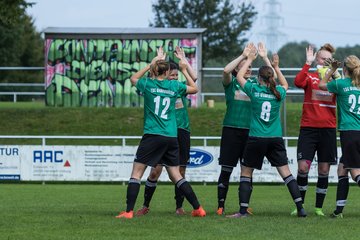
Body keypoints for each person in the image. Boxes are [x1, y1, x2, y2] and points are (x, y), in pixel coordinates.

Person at [115, 47, 206, 219]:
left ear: (154, 71)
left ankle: (128, 211)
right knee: (176, 174)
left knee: (136, 174)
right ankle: (198, 208)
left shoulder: (148, 84)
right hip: (171, 137)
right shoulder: (173, 86)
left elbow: (133, 78)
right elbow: (194, 88)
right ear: (167, 73)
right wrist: (184, 70)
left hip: (152, 135)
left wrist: (151, 63)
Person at [227, 45, 306, 218]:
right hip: (275, 138)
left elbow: (239, 76)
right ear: (271, 78)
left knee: (246, 172)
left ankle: (242, 211)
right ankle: (300, 208)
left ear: (259, 78)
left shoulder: (254, 90)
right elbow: (285, 83)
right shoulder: (278, 93)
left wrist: (249, 59)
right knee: (286, 173)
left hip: (256, 138)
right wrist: (273, 65)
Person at [136, 47, 197, 216]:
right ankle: (145, 205)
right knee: (155, 170)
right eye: (172, 75)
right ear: (165, 75)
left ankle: (179, 207)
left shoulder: (178, 87)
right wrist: (156, 60)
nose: (175, 78)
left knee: (180, 172)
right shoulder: (158, 85)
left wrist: (184, 62)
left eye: (177, 76)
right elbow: (149, 76)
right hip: (163, 132)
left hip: (181, 130)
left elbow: (194, 79)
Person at [217, 42, 274, 215]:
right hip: (231, 131)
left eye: (250, 66)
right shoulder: (231, 83)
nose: (248, 68)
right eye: (244, 67)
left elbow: (273, 77)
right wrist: (244, 57)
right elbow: (226, 71)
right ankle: (221, 206)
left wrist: (264, 58)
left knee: (247, 171)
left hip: (251, 133)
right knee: (226, 169)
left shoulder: (256, 87)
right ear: (238, 69)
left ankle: (244, 205)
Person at [292, 44, 339, 216]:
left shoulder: (335, 81)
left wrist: (335, 73)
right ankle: (300, 205)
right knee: (303, 167)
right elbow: (297, 82)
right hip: (308, 129)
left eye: (328, 60)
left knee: (324, 170)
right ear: (317, 59)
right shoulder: (310, 77)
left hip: (328, 129)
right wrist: (307, 63)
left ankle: (318, 208)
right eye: (322, 59)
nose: (325, 62)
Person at [319, 55, 360, 218]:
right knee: (342, 169)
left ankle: (338, 210)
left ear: (345, 70)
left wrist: (332, 70)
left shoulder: (341, 84)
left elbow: (322, 84)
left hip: (349, 133)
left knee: (354, 171)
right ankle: (338, 211)